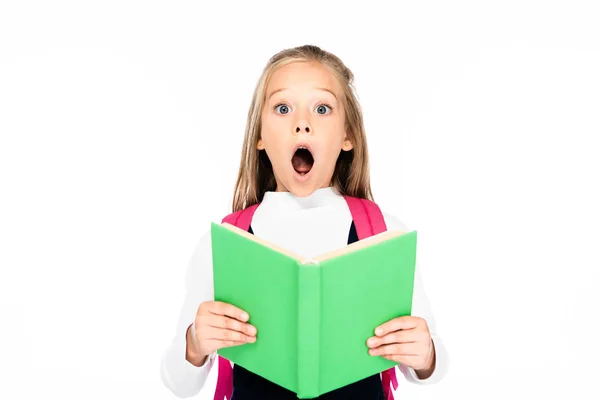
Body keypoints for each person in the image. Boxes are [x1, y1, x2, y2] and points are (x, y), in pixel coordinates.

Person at [160, 44, 448, 399]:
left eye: (322, 108)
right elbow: (179, 382)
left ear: (348, 136)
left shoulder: (385, 231)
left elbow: (430, 364)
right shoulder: (225, 240)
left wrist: (425, 354)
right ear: (260, 137)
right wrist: (194, 342)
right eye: (283, 108)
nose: (302, 123)